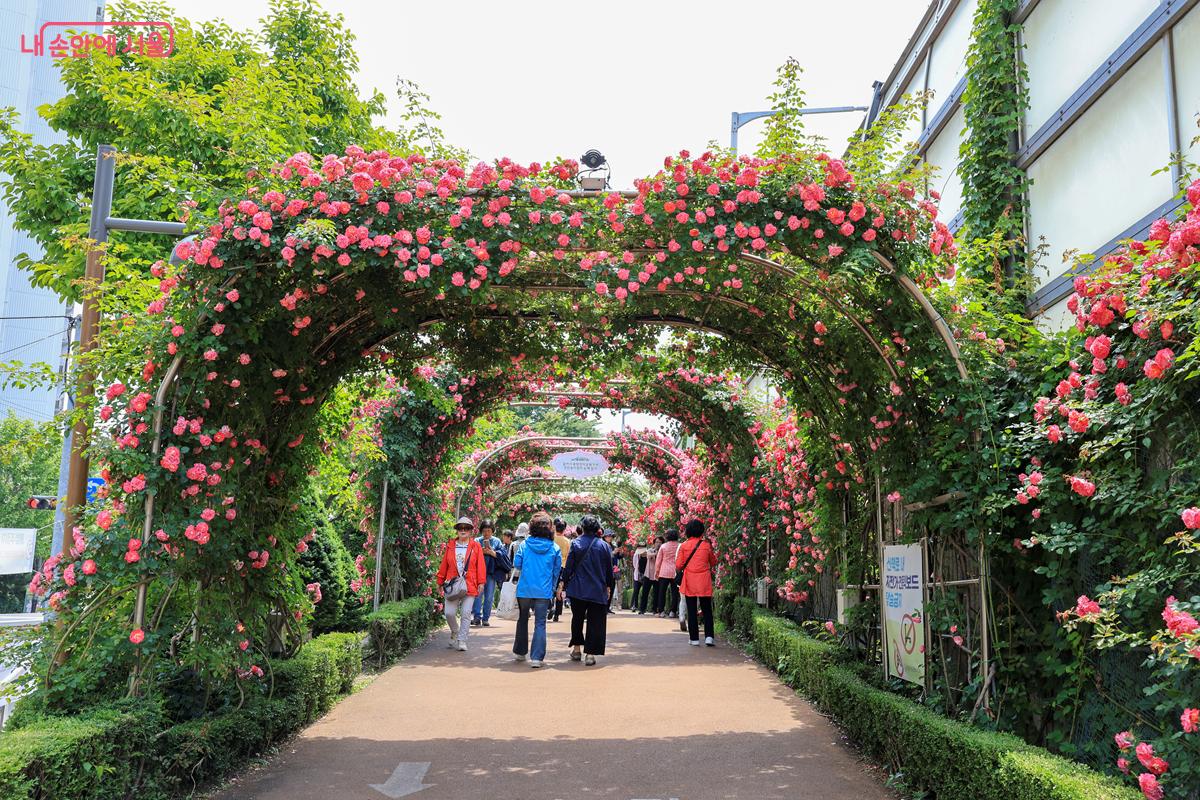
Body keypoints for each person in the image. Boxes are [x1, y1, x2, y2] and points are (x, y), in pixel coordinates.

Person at [561, 515, 614, 665]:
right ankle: (590, 654)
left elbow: (569, 567)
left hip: (578, 589)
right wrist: (608, 585)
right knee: (595, 621)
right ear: (598, 529)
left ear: (582, 528)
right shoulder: (604, 546)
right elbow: (609, 570)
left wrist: (563, 583)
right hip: (597, 589)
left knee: (577, 619)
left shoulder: (576, 543)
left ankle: (577, 649)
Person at [511, 511, 561, 668]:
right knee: (540, 622)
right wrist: (553, 589)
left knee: (523, 619)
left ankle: (520, 652)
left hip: (524, 589)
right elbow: (556, 571)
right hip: (543, 591)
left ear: (531, 528)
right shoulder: (555, 548)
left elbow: (517, 564)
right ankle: (537, 658)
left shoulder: (525, 545)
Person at [435, 516, 487, 651]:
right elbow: (444, 565)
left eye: (466, 528)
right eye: (460, 528)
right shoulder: (451, 545)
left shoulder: (476, 546)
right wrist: (440, 582)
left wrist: (481, 582)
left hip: (469, 584)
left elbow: (480, 565)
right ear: (457, 530)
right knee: (449, 613)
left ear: (471, 531)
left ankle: (462, 640)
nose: (463, 530)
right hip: (452, 585)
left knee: (465, 613)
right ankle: (455, 631)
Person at [676, 519, 718, 647]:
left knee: (691, 610)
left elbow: (678, 565)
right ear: (701, 531)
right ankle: (709, 637)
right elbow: (714, 561)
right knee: (707, 610)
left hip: (690, 581)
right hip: (704, 581)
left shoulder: (684, 546)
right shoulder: (706, 545)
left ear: (688, 531)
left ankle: (694, 638)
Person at [472, 519, 509, 627]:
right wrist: (481, 552)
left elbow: (503, 556)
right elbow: (471, 555)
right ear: (481, 531)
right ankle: (477, 617)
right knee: (477, 595)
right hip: (478, 573)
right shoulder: (477, 541)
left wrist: (492, 552)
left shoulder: (497, 541)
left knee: (489, 596)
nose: (486, 533)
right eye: (484, 531)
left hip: (491, 573)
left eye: (488, 530)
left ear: (492, 531)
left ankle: (486, 618)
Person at [652, 528, 681, 618]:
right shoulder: (680, 546)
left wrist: (656, 572)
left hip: (664, 572)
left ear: (667, 536)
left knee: (662, 592)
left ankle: (661, 611)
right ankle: (673, 611)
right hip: (675, 572)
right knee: (675, 593)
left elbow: (658, 561)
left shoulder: (663, 546)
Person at [551, 518, 571, 622]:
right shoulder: (567, 541)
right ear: (564, 529)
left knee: (550, 587)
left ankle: (549, 607)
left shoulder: (551, 539)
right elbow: (568, 556)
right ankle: (557, 613)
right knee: (560, 588)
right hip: (562, 567)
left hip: (551, 566)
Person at [637, 535, 660, 614]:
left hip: (657, 575)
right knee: (645, 593)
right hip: (648, 574)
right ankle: (642, 609)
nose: (658, 544)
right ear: (653, 544)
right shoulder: (650, 550)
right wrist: (656, 553)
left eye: (660, 542)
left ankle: (655, 609)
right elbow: (649, 555)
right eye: (657, 542)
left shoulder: (663, 551)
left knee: (656, 593)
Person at [603, 530, 621, 613]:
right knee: (605, 588)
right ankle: (603, 607)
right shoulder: (603, 546)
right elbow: (605, 557)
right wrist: (613, 553)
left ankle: (608, 607)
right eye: (607, 536)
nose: (609, 538)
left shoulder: (613, 546)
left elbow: (619, 557)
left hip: (613, 570)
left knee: (612, 587)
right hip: (605, 570)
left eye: (611, 536)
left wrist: (620, 552)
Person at [631, 539, 649, 612]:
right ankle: (634, 605)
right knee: (636, 591)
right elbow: (635, 565)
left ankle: (643, 608)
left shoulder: (648, 553)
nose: (641, 548)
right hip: (638, 574)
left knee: (644, 591)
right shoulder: (636, 554)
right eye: (640, 546)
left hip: (646, 575)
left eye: (643, 546)